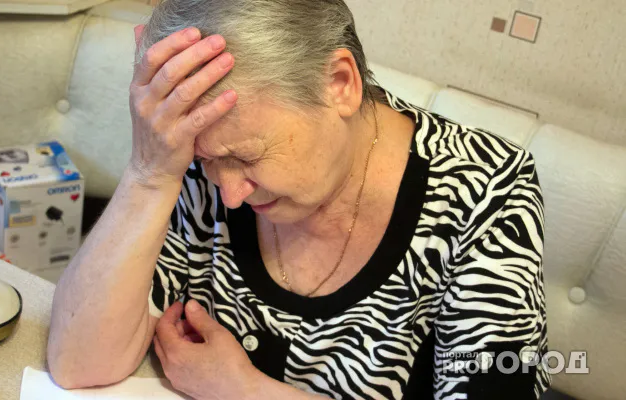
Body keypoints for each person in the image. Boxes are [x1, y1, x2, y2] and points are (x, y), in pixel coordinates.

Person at [47, 0, 550, 398]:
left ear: (340, 84)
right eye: (206, 162)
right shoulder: (196, 153)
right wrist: (150, 173)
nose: (229, 195)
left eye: (247, 157)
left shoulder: (487, 194)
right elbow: (78, 365)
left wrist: (243, 391)